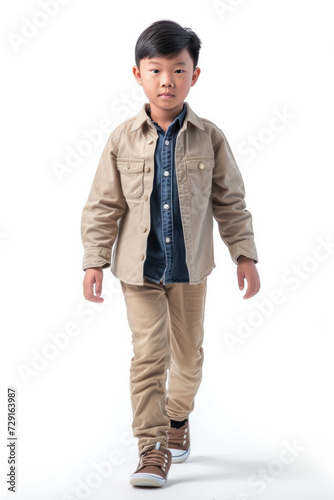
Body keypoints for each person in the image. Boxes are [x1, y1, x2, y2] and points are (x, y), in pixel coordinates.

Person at [80, 19, 261, 488]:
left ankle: (177, 418)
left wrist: (245, 255)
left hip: (189, 269)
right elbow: (103, 205)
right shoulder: (122, 138)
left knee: (188, 358)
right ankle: (152, 446)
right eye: (155, 70)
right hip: (137, 272)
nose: (167, 81)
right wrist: (94, 260)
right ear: (137, 74)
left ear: (194, 75)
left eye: (178, 70)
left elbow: (230, 201)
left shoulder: (210, 137)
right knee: (148, 357)